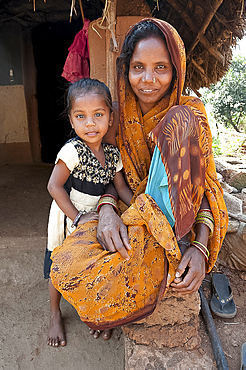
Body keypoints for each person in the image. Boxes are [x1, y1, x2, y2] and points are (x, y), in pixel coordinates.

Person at [50, 18, 228, 339]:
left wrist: (200, 248)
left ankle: (133, 290)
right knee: (68, 263)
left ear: (177, 71)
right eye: (138, 67)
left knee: (180, 120)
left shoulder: (190, 114)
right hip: (130, 211)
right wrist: (106, 211)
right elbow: (110, 173)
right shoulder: (116, 116)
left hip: (174, 225)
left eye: (161, 67)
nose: (148, 79)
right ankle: (111, 313)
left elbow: (203, 189)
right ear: (125, 69)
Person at [44, 78, 133, 346]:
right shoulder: (72, 150)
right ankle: (54, 314)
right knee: (59, 265)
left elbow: (122, 189)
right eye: (81, 116)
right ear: (71, 121)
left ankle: (92, 313)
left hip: (95, 216)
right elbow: (54, 186)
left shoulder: (112, 154)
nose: (90, 123)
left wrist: (141, 206)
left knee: (90, 264)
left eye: (98, 115)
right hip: (68, 216)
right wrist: (77, 217)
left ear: (110, 117)